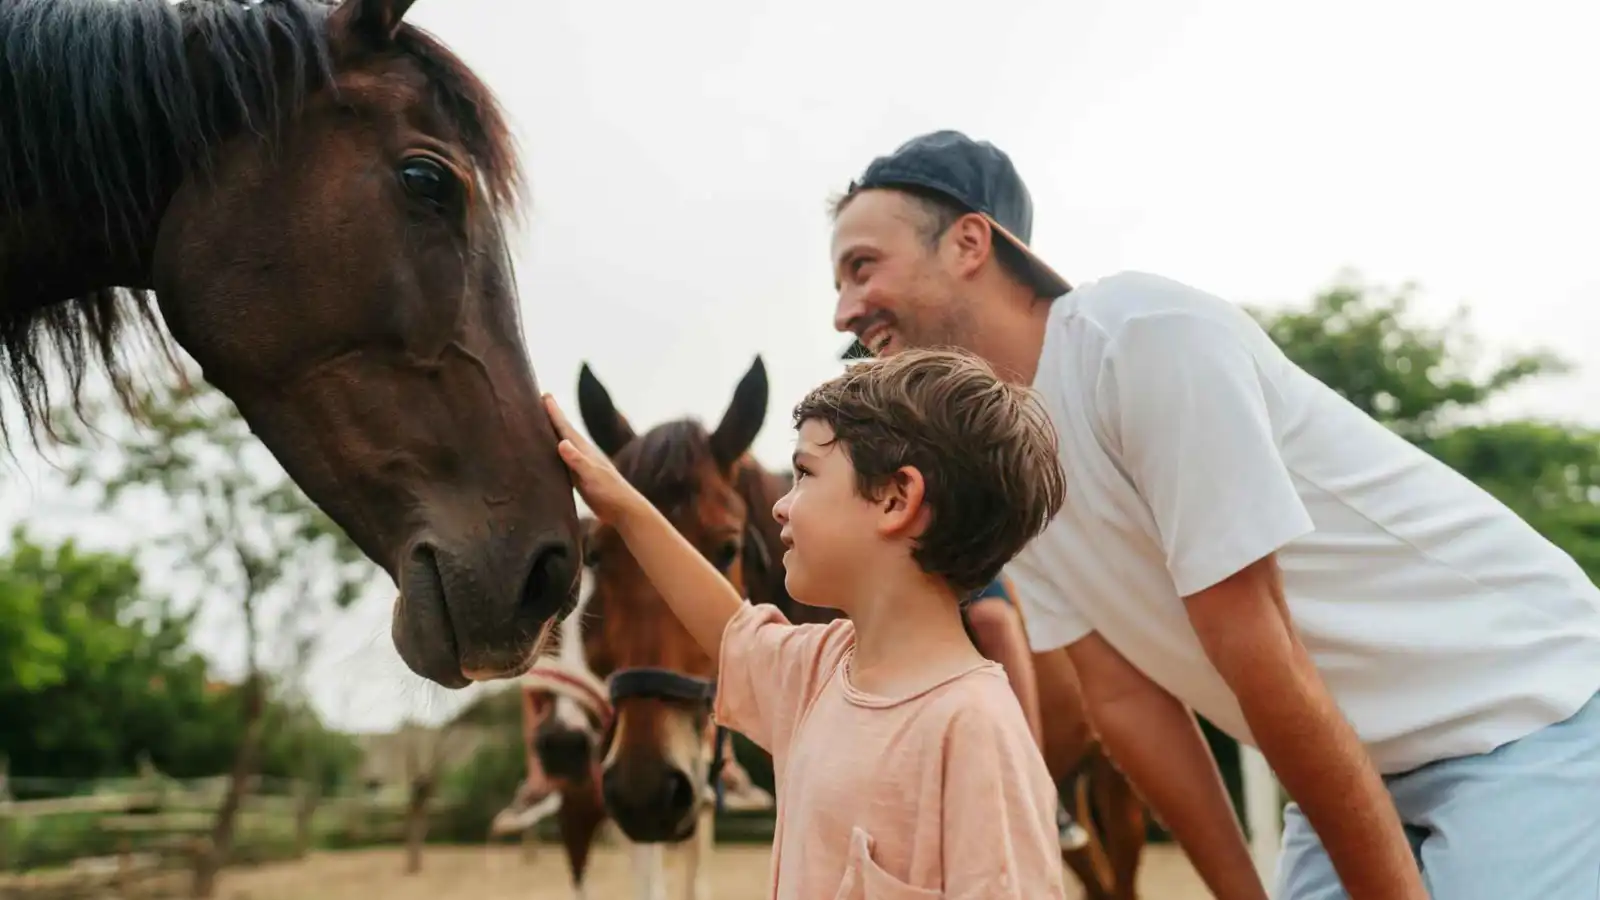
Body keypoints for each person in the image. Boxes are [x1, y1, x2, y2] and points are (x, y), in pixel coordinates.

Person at [827, 129, 1600, 900]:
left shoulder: (1144, 338)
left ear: (968, 243)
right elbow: (1123, 699)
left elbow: (1255, 640)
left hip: (1526, 707)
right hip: (1359, 764)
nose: (842, 312)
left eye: (862, 267)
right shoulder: (996, 454)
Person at [543, 348, 1069, 899]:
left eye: (803, 475)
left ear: (895, 499)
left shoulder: (974, 731)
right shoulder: (817, 672)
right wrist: (624, 507)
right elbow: (725, 626)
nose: (778, 507)